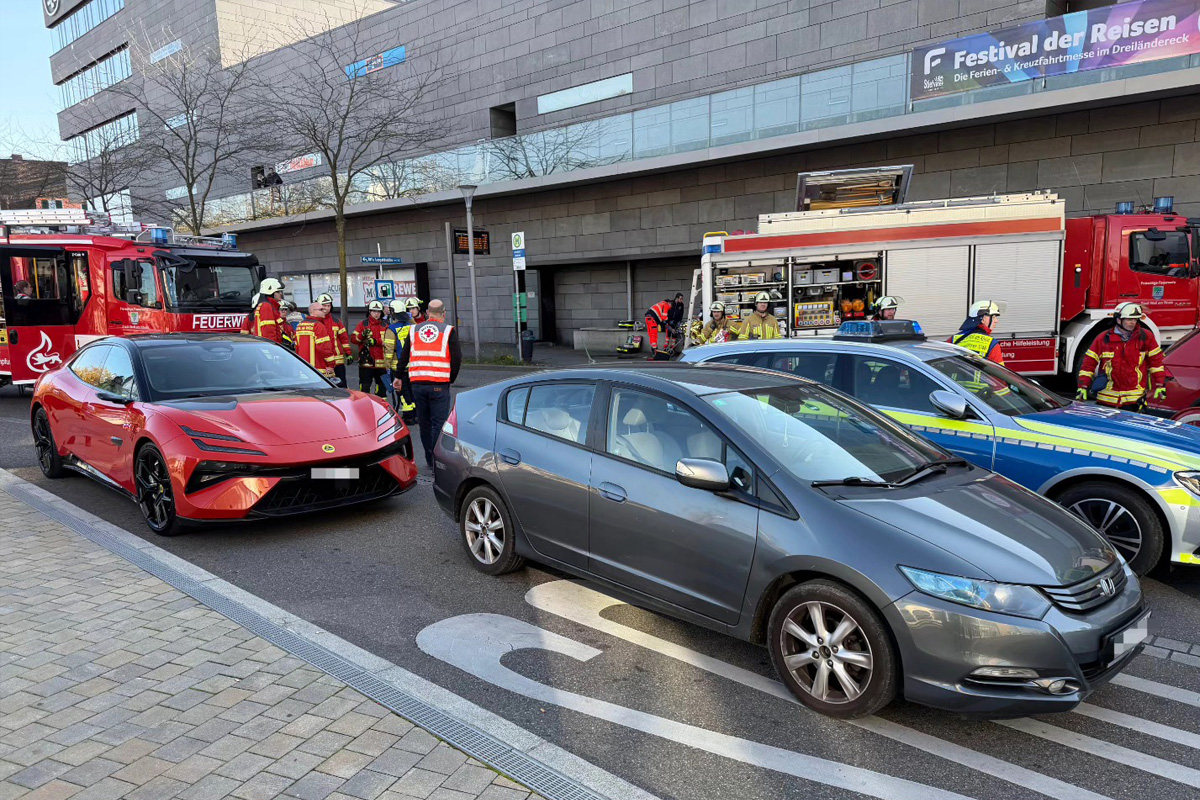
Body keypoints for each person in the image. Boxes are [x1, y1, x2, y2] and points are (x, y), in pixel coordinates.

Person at [398, 299, 461, 469]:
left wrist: (398, 376)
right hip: (439, 384)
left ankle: (428, 459)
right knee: (438, 424)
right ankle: (437, 461)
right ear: (444, 313)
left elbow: (404, 355)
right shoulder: (448, 330)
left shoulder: (414, 330)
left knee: (424, 424)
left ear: (426, 312)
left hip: (417, 384)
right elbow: (456, 358)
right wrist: (450, 378)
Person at [1077, 303, 1167, 410]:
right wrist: (1083, 386)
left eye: (1135, 319)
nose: (1133, 322)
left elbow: (1156, 363)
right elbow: (1088, 364)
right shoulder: (1103, 338)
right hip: (1107, 399)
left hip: (1134, 400)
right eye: (1129, 319)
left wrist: (1160, 384)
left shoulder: (1145, 337)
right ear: (1119, 320)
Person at [383, 299, 417, 423]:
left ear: (393, 312)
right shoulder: (413, 326)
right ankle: (416, 414)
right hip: (413, 365)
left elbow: (389, 350)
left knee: (402, 391)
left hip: (398, 366)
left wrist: (387, 366)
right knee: (413, 390)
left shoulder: (391, 329)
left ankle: (408, 416)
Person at [294, 303, 341, 384]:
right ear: (313, 311)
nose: (324, 311)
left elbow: (297, 347)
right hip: (319, 369)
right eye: (321, 309)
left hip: (304, 368)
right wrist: (331, 364)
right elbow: (324, 348)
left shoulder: (300, 325)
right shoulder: (318, 326)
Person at [240, 278, 293, 347]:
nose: (281, 294)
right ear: (270, 292)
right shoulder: (266, 306)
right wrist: (272, 348)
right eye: (278, 292)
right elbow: (268, 332)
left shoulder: (269, 306)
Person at [949, 300, 1005, 364]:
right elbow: (998, 369)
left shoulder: (953, 339)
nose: (996, 321)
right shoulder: (992, 344)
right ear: (983, 319)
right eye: (994, 317)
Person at [352, 300, 389, 397]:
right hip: (366, 363)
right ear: (369, 311)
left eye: (378, 311)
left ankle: (381, 406)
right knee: (364, 389)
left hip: (382, 364)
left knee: (382, 390)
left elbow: (389, 341)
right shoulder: (362, 324)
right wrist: (362, 335)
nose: (376, 314)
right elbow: (353, 339)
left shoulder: (385, 326)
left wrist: (376, 341)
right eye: (374, 311)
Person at [316, 293, 351, 388]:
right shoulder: (316, 321)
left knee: (342, 385)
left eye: (329, 305)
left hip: (337, 360)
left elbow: (344, 338)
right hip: (322, 361)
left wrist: (348, 353)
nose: (327, 308)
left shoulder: (336, 321)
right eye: (324, 305)